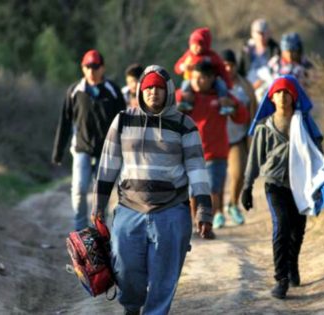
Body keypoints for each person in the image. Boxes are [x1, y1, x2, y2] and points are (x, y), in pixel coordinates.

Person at [91, 65, 213, 315]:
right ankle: (132, 307)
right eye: (148, 88)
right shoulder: (123, 120)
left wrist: (203, 209)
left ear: (168, 91)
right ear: (139, 91)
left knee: (163, 279)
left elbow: (197, 170)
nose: (153, 93)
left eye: (158, 88)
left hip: (171, 212)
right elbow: (107, 166)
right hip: (129, 209)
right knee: (125, 269)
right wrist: (98, 205)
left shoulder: (184, 125)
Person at [241, 76, 324, 299]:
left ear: (294, 97)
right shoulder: (265, 128)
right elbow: (254, 159)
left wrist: (323, 182)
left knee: (297, 230)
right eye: (278, 93)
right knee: (281, 226)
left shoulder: (304, 124)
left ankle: (292, 264)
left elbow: (317, 155)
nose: (282, 97)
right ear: (271, 97)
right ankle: (281, 279)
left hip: (301, 185)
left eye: (287, 93)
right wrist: (247, 186)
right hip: (275, 185)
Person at [52, 49, 126, 231]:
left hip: (106, 150)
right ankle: (80, 232)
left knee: (102, 192)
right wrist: (58, 152)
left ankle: (100, 232)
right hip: (81, 148)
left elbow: (125, 123)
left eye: (95, 66)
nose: (91, 71)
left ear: (103, 68)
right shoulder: (74, 91)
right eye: (88, 67)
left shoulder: (113, 92)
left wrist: (126, 150)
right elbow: (65, 122)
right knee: (79, 189)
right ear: (82, 68)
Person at [176, 61, 249, 232]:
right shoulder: (188, 98)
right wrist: (181, 99)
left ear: (211, 79)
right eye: (194, 78)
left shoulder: (222, 98)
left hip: (216, 154)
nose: (196, 82)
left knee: (213, 191)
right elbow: (171, 101)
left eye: (201, 78)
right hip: (191, 153)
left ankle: (207, 222)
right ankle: (196, 223)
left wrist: (233, 107)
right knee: (193, 192)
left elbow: (242, 117)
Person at [221, 49, 257, 225]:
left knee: (238, 174)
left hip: (238, 138)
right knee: (215, 179)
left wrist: (253, 135)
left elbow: (254, 110)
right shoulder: (215, 84)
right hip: (216, 139)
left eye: (231, 65)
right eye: (225, 65)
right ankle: (216, 212)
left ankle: (233, 205)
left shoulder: (245, 86)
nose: (228, 69)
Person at [174, 27, 233, 114]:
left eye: (200, 45)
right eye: (194, 45)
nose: (196, 48)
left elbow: (222, 70)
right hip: (191, 81)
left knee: (221, 86)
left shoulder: (212, 56)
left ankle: (224, 106)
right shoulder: (189, 55)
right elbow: (177, 67)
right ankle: (185, 103)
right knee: (185, 85)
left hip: (211, 83)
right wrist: (183, 67)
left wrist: (228, 83)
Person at [239, 18, 280, 89]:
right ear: (252, 33)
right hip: (248, 84)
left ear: (268, 33)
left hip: (267, 84)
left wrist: (258, 84)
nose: (261, 36)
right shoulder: (246, 49)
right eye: (259, 33)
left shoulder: (275, 49)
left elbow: (275, 72)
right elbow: (241, 71)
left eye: (264, 33)